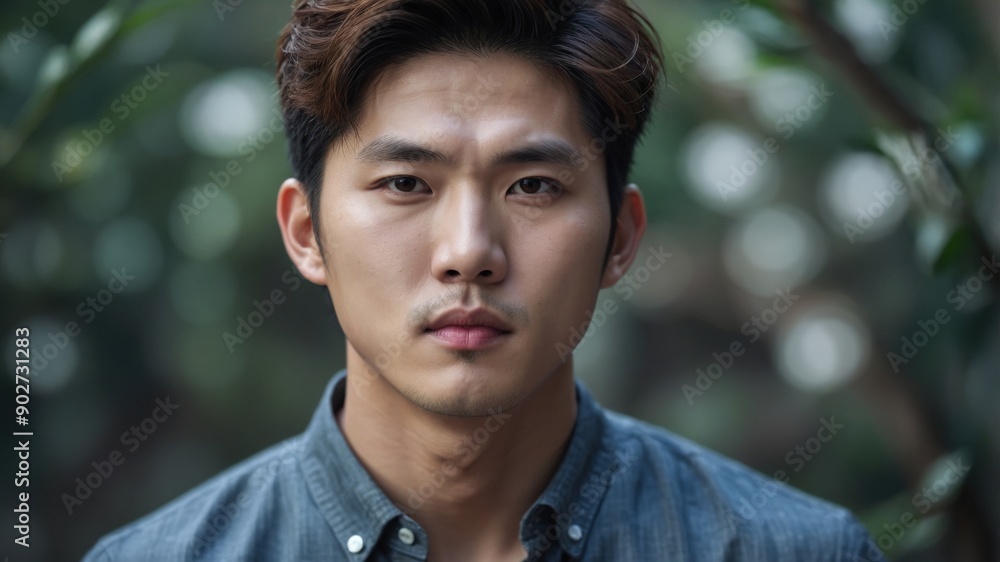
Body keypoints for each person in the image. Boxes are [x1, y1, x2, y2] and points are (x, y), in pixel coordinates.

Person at [84, 0, 877, 560]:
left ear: (620, 238)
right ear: (306, 233)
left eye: (532, 186)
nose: (469, 252)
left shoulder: (792, 550)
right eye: (405, 184)